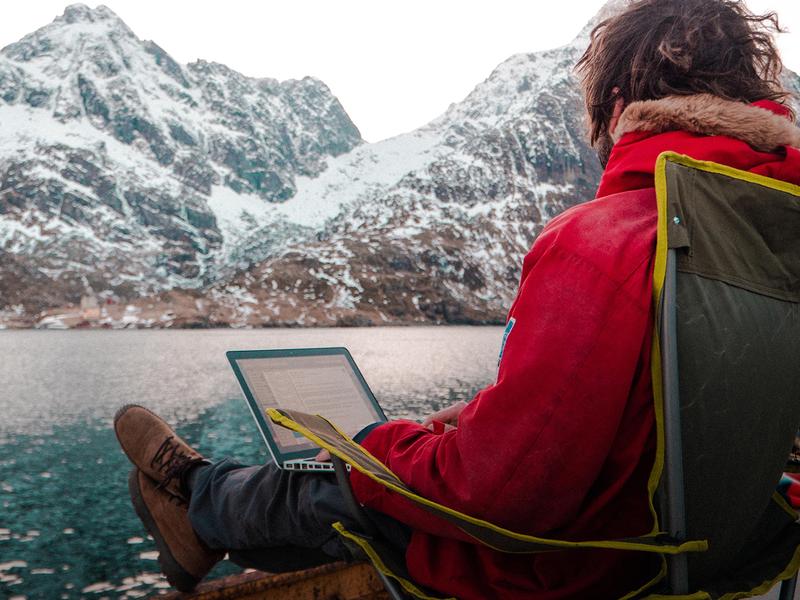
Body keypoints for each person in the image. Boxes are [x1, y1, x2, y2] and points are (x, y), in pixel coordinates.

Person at [114, 1, 800, 598]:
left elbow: (499, 493)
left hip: (577, 569)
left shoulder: (606, 242)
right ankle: (200, 502)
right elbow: (639, 413)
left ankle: (196, 494)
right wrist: (469, 420)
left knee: (348, 483)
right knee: (369, 474)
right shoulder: (775, 236)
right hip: (705, 552)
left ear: (618, 106)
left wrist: (381, 444)